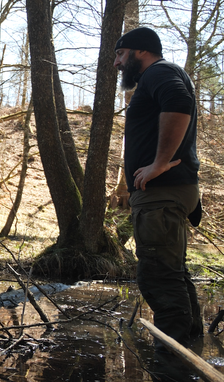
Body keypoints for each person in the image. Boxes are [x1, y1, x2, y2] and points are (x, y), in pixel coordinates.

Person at [114, 27, 203, 350]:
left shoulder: (158, 72)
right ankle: (191, 352)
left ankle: (172, 359)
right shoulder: (163, 74)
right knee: (173, 273)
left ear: (141, 52)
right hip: (167, 194)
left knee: (158, 277)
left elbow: (179, 102)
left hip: (162, 195)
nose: (117, 63)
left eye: (120, 54)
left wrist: (160, 162)